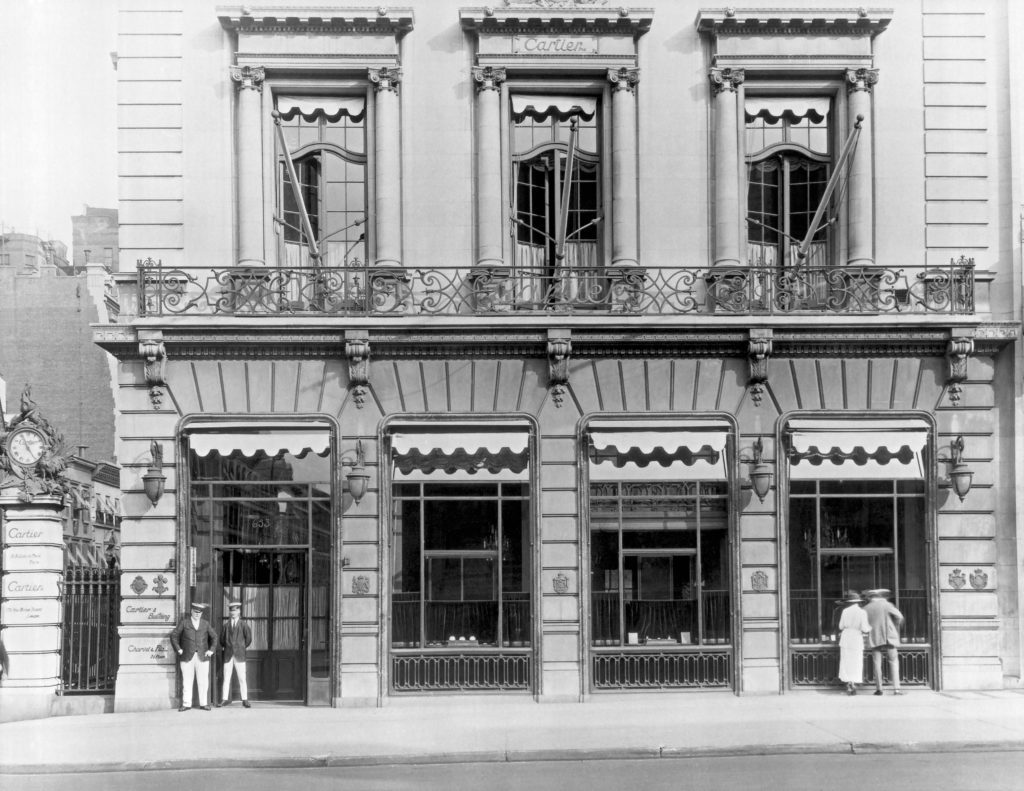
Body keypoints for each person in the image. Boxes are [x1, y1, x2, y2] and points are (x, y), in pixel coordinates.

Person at [170, 602, 218, 711]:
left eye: (199, 612)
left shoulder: (205, 624)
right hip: (187, 656)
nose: (197, 614)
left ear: (201, 613)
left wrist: (211, 650)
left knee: (203, 681)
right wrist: (179, 649)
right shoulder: (184, 623)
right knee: (187, 680)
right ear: (191, 611)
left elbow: (214, 637)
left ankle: (204, 703)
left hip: (203, 656)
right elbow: (174, 636)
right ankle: (186, 704)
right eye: (195, 612)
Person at [863, 588, 905, 696]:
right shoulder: (887, 605)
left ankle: (879, 689)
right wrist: (894, 625)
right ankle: (896, 689)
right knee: (894, 661)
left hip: (874, 637)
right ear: (880, 596)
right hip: (889, 637)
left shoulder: (866, 608)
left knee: (877, 664)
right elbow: (899, 616)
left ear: (870, 597)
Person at [836, 590, 870, 695]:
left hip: (846, 638)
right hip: (856, 638)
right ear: (858, 602)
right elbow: (865, 628)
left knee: (846, 662)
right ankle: (854, 683)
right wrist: (870, 628)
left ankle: (849, 683)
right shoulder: (862, 612)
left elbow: (840, 626)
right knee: (856, 662)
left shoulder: (845, 611)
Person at [219, 601, 253, 708]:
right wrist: (229, 648)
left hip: (240, 655)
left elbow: (248, 640)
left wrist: (240, 647)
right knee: (226, 678)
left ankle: (245, 699)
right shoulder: (226, 626)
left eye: (235, 610)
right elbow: (221, 640)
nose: (233, 613)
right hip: (228, 655)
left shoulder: (244, 625)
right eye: (231, 611)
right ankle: (224, 699)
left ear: (239, 611)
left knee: (242, 678)